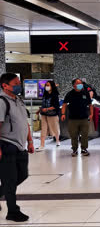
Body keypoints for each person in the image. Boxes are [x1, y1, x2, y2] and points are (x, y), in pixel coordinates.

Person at [0, 73, 34, 222]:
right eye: (15, 84)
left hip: (21, 145)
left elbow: (24, 122)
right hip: (7, 144)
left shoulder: (18, 100)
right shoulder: (1, 102)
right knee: (10, 179)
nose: (18, 86)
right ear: (5, 85)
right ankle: (12, 211)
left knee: (22, 175)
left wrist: (30, 141)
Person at [61, 78, 93, 157]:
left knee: (85, 134)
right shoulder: (70, 94)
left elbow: (90, 104)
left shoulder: (85, 93)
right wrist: (63, 114)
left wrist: (91, 114)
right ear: (74, 85)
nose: (80, 85)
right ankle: (74, 149)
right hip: (73, 119)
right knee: (74, 135)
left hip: (84, 118)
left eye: (81, 83)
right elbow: (64, 104)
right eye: (78, 83)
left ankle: (84, 149)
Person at [36, 81, 60, 151]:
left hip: (52, 114)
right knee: (43, 129)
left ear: (52, 86)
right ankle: (42, 145)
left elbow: (56, 106)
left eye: (48, 85)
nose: (47, 86)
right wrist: (40, 110)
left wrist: (46, 109)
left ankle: (58, 140)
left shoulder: (55, 95)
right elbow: (43, 104)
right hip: (44, 114)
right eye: (46, 85)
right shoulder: (45, 95)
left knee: (55, 128)